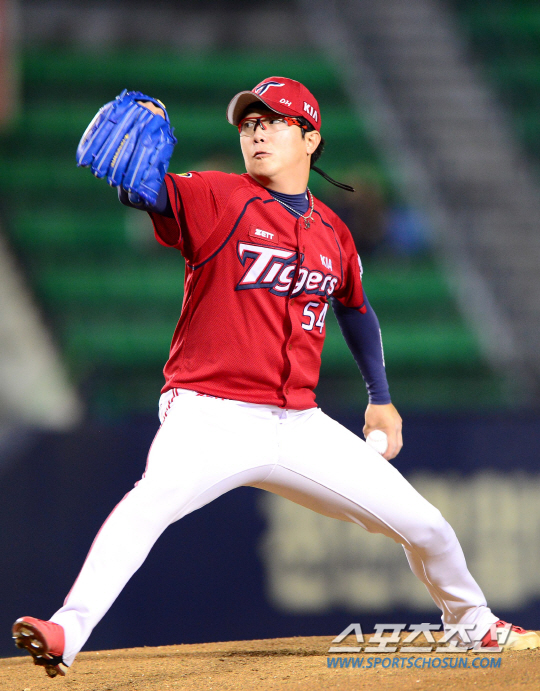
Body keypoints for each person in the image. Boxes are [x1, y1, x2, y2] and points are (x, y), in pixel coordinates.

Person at [12, 77, 539, 678]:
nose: (257, 132)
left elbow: (356, 310)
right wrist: (142, 188)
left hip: (299, 424)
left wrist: (381, 398)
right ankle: (67, 630)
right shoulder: (217, 196)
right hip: (210, 412)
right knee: (149, 503)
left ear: (310, 138)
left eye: (275, 121)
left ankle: (472, 623)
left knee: (428, 527)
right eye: (249, 124)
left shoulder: (332, 231)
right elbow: (155, 193)